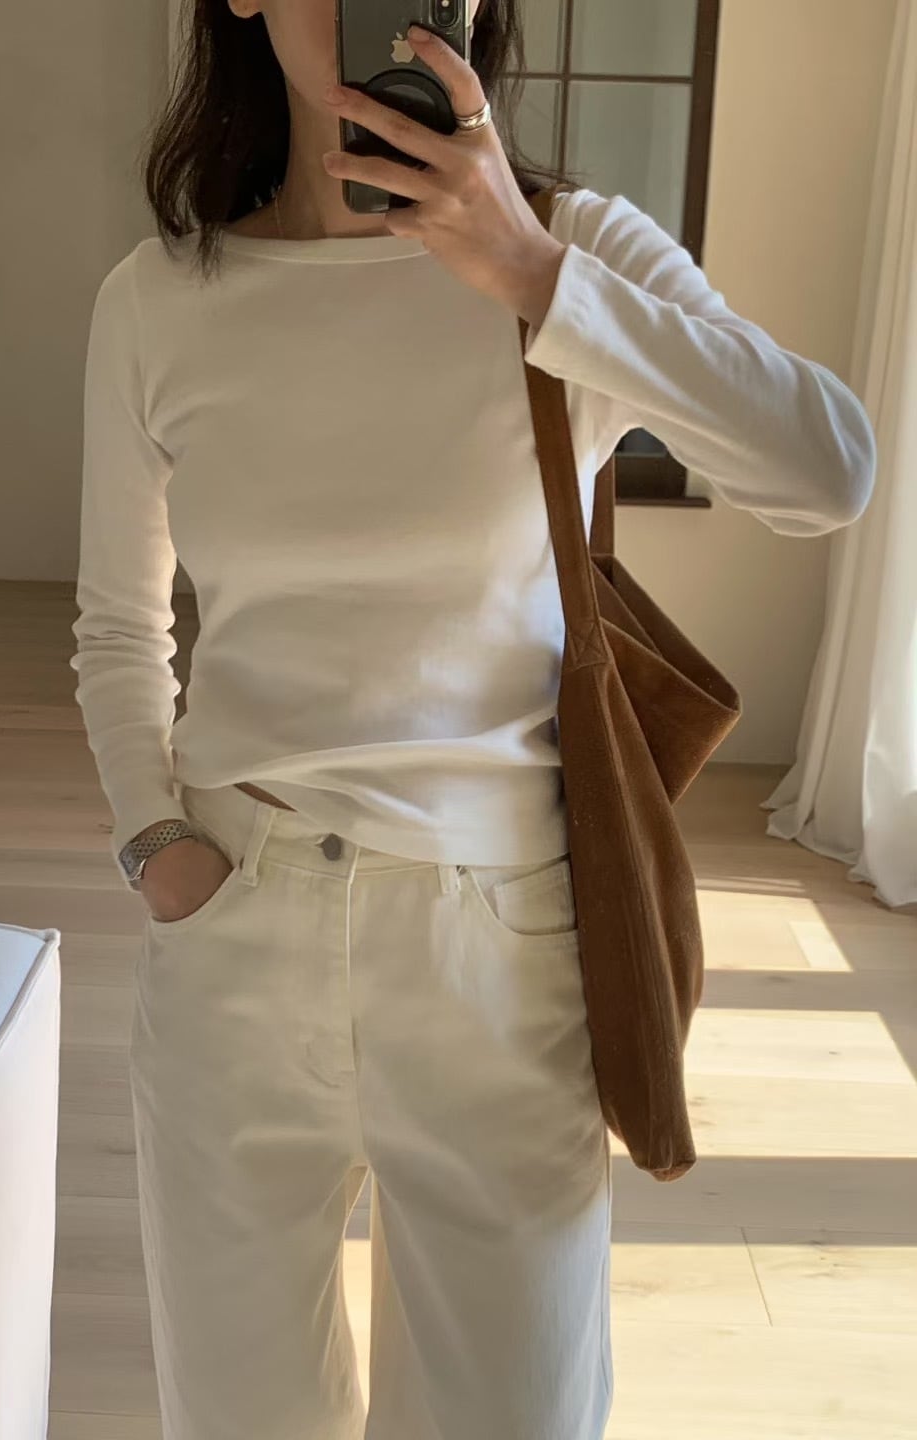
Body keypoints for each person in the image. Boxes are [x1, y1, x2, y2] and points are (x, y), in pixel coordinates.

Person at [69, 3, 877, 1437]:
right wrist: (156, 844)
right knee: (237, 1415)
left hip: (499, 950)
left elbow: (830, 470)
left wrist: (534, 273)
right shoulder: (160, 297)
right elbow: (121, 626)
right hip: (234, 931)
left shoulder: (572, 247)